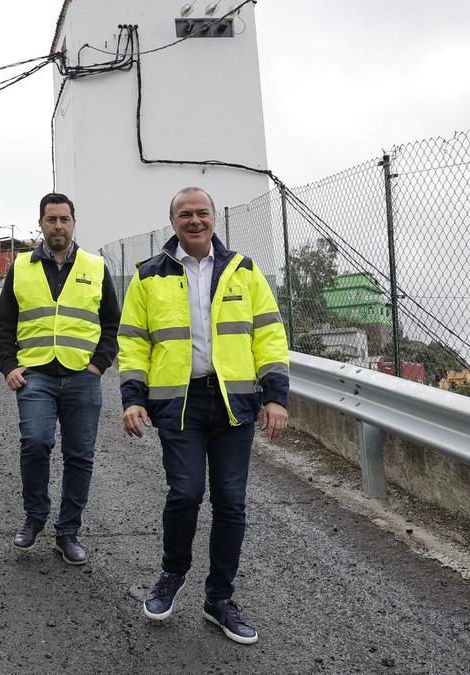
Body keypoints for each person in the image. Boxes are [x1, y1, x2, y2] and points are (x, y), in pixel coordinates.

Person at [119, 187, 289, 645]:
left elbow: (269, 336)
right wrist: (133, 398)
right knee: (186, 492)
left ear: (214, 218)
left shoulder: (245, 271)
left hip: (234, 403)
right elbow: (133, 342)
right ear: (171, 222)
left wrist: (276, 397)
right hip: (179, 403)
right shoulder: (148, 276)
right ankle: (172, 574)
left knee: (231, 502)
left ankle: (219, 600)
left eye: (202, 213)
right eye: (184, 214)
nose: (194, 220)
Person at [0, 192, 120, 565]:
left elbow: (113, 322)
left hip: (83, 375)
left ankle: (67, 533)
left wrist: (99, 363)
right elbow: (4, 324)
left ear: (74, 222)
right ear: (42, 224)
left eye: (64, 219)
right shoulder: (21, 267)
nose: (58, 226)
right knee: (35, 443)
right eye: (51, 220)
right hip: (36, 376)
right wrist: (8, 365)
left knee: (80, 456)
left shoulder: (95, 267)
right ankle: (34, 518)